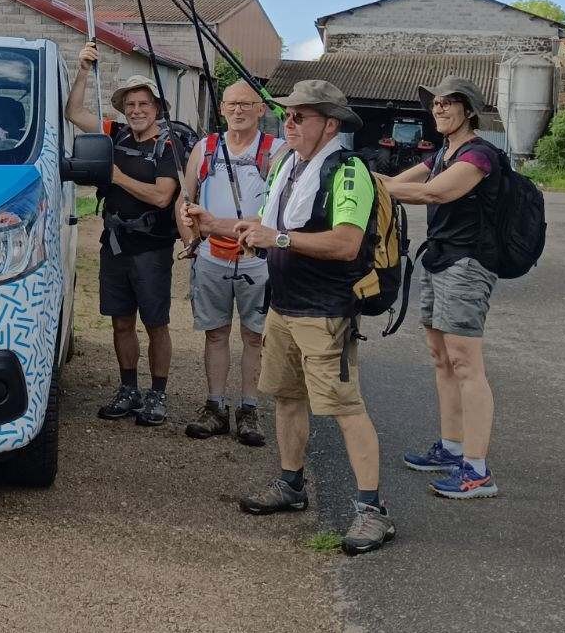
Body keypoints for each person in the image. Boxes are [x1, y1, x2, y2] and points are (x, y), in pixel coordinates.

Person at [194, 80, 394, 555]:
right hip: (283, 305)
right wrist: (211, 223)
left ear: (330, 124)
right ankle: (291, 485)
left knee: (345, 408)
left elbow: (345, 243)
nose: (289, 123)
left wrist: (279, 241)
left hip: (325, 311)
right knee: (286, 398)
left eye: (300, 116)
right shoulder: (288, 164)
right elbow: (262, 226)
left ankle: (372, 511)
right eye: (287, 115)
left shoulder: (348, 173)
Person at [377, 76, 502, 499]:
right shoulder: (443, 154)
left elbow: (432, 194)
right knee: (441, 358)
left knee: (466, 363)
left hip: (468, 264)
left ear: (469, 110)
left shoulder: (480, 155)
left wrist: (372, 184)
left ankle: (477, 469)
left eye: (450, 103)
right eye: (436, 104)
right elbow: (393, 183)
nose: (440, 110)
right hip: (439, 259)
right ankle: (451, 449)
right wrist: (355, 173)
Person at [67, 44, 181, 427]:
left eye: (143, 104)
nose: (135, 111)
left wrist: (116, 176)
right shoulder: (113, 134)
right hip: (114, 245)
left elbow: (163, 196)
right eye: (130, 104)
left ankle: (158, 394)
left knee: (155, 323)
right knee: (120, 321)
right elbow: (74, 113)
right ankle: (129, 388)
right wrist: (83, 69)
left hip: (152, 248)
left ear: (157, 109)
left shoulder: (169, 146)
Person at [176, 80, 284, 446]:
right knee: (216, 333)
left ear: (261, 109)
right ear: (221, 108)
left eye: (246, 103)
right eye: (231, 104)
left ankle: (249, 409)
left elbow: (283, 209)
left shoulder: (276, 151)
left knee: (255, 336)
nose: (238, 110)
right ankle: (215, 406)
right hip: (211, 257)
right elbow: (184, 198)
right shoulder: (205, 147)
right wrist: (191, 240)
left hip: (258, 261)